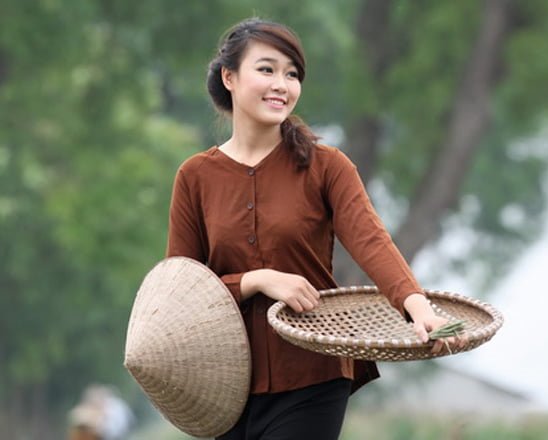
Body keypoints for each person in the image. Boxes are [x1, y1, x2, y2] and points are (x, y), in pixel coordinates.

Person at [166, 17, 465, 440]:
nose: (282, 85)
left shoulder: (328, 167)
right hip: (223, 385)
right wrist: (255, 280)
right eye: (267, 69)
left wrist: (417, 306)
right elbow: (180, 293)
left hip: (311, 376)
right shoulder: (194, 176)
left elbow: (372, 241)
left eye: (292, 74)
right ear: (229, 77)